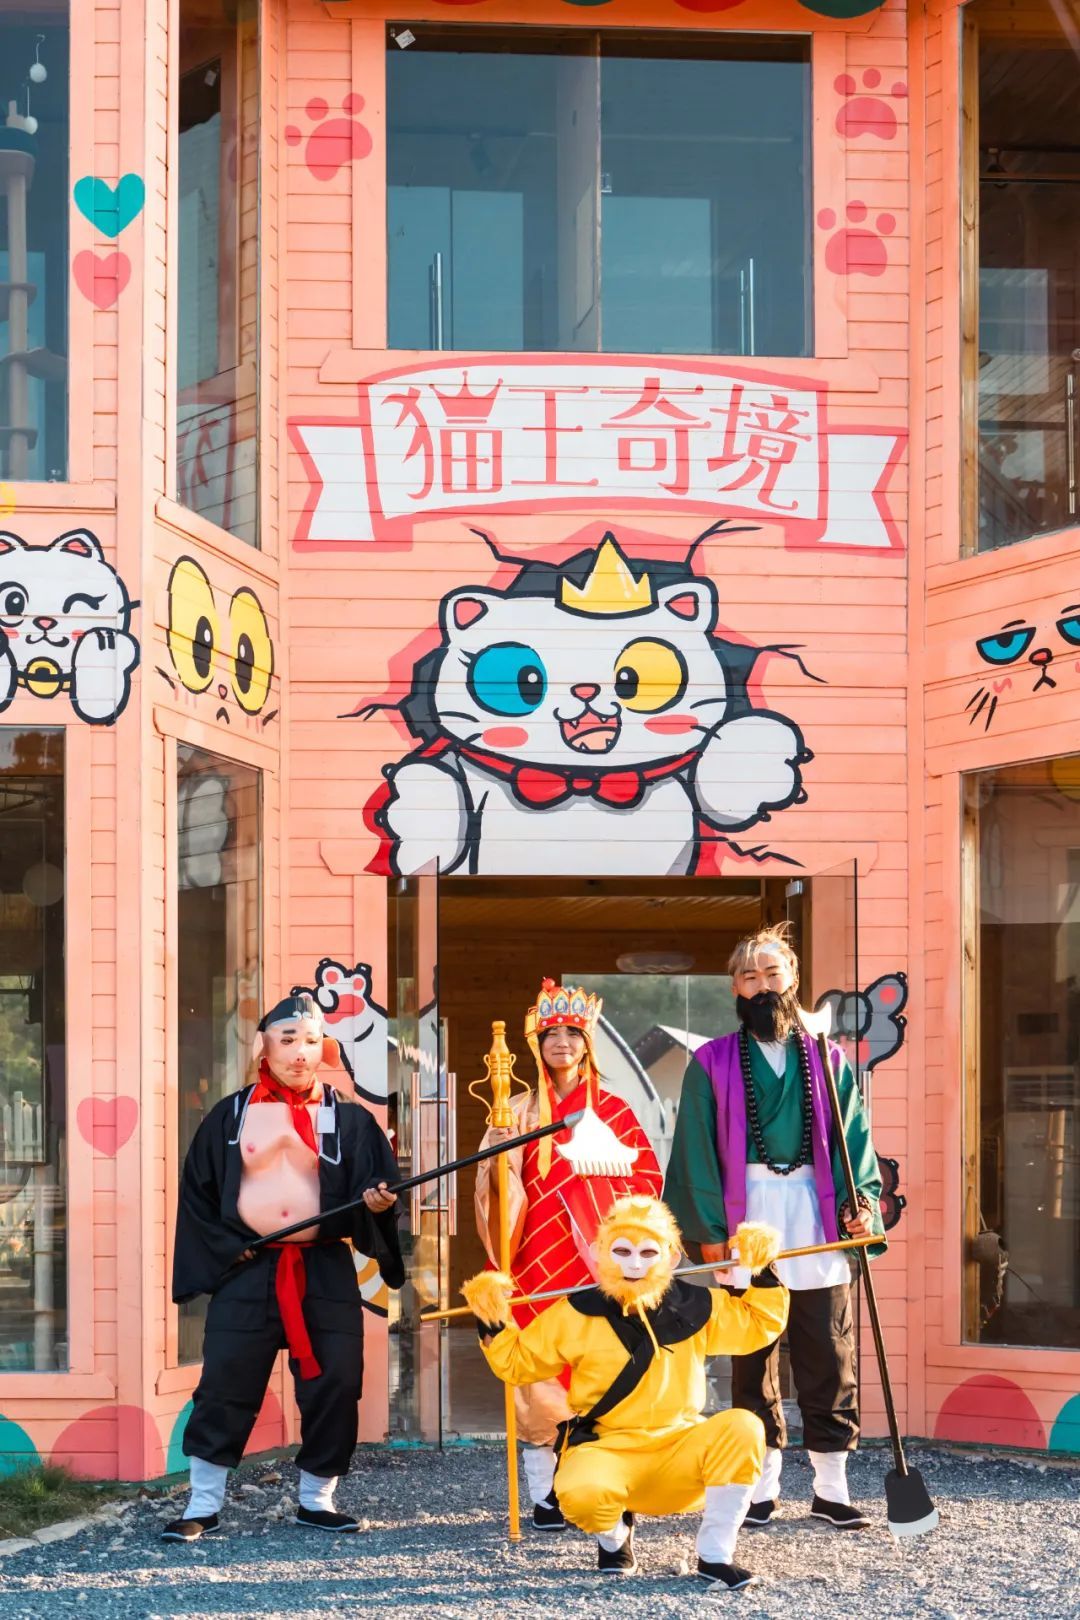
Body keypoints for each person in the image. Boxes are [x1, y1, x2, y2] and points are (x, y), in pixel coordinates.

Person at [663, 924, 885, 1530]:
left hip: (815, 1209)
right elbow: (694, 1153)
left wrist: (860, 1203)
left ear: (792, 980)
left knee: (827, 1347)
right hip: (747, 1213)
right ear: (734, 988)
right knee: (751, 1352)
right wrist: (710, 1231)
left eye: (772, 973)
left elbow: (854, 1143)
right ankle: (759, 1487)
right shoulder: (710, 1062)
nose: (762, 986)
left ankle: (832, 1488)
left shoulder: (828, 1059)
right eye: (749, 976)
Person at [164, 992, 404, 1542]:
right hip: (249, 1266)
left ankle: (317, 1500)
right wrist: (228, 1245)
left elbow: (377, 1188)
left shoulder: (350, 1119)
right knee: (225, 1380)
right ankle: (203, 1503)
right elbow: (198, 1196)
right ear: (262, 1046)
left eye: (312, 1041)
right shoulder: (229, 1117)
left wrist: (378, 1205)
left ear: (326, 1049)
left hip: (323, 1267)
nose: (300, 1052)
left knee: (337, 1379)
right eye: (288, 1039)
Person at [462, 1196, 788, 1590]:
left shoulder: (698, 1305)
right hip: (606, 1449)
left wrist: (763, 1269)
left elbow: (758, 1325)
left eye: (648, 1252)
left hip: (680, 1448)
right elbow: (518, 1364)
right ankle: (615, 1537)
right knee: (578, 1494)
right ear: (599, 1252)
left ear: (671, 1257)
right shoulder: (574, 1312)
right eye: (622, 1252)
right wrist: (492, 1318)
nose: (635, 1265)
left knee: (744, 1427)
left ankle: (716, 1555)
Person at [474, 978, 662, 1530]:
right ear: (537, 1044)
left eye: (573, 1033)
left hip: (597, 1256)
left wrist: (604, 1198)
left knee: (605, 1363)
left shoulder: (616, 1110)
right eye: (551, 1033)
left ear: (587, 1043)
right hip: (535, 1252)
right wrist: (499, 1170)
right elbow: (495, 1190)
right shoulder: (515, 1111)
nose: (562, 1042)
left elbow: (646, 1179)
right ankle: (545, 1492)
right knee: (539, 1364)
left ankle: (606, 1480)